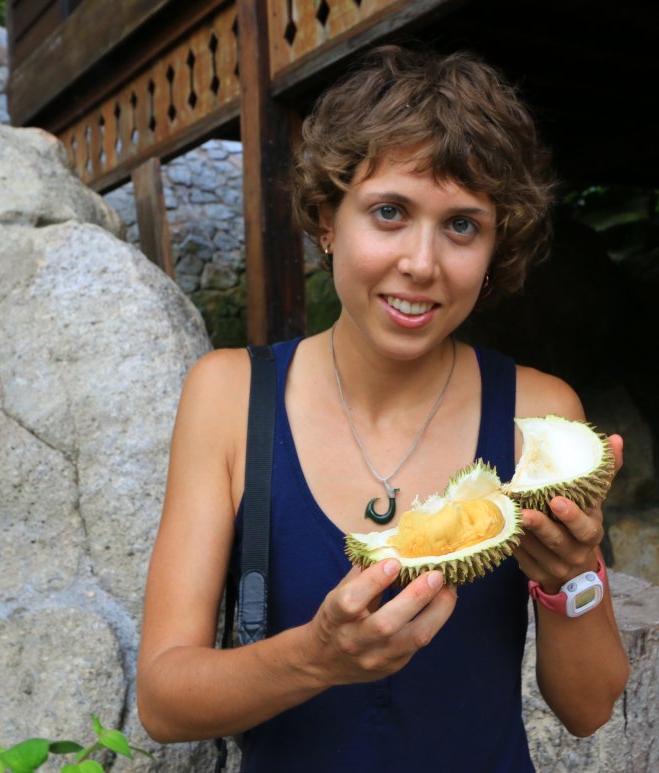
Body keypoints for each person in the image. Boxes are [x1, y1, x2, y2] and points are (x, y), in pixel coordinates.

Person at [137, 45, 630, 771]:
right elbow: (163, 699)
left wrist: (572, 578)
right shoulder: (229, 396)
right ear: (326, 218)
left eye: (462, 225)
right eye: (389, 212)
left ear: (496, 250)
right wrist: (314, 657)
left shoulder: (538, 411)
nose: (422, 263)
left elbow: (588, 708)